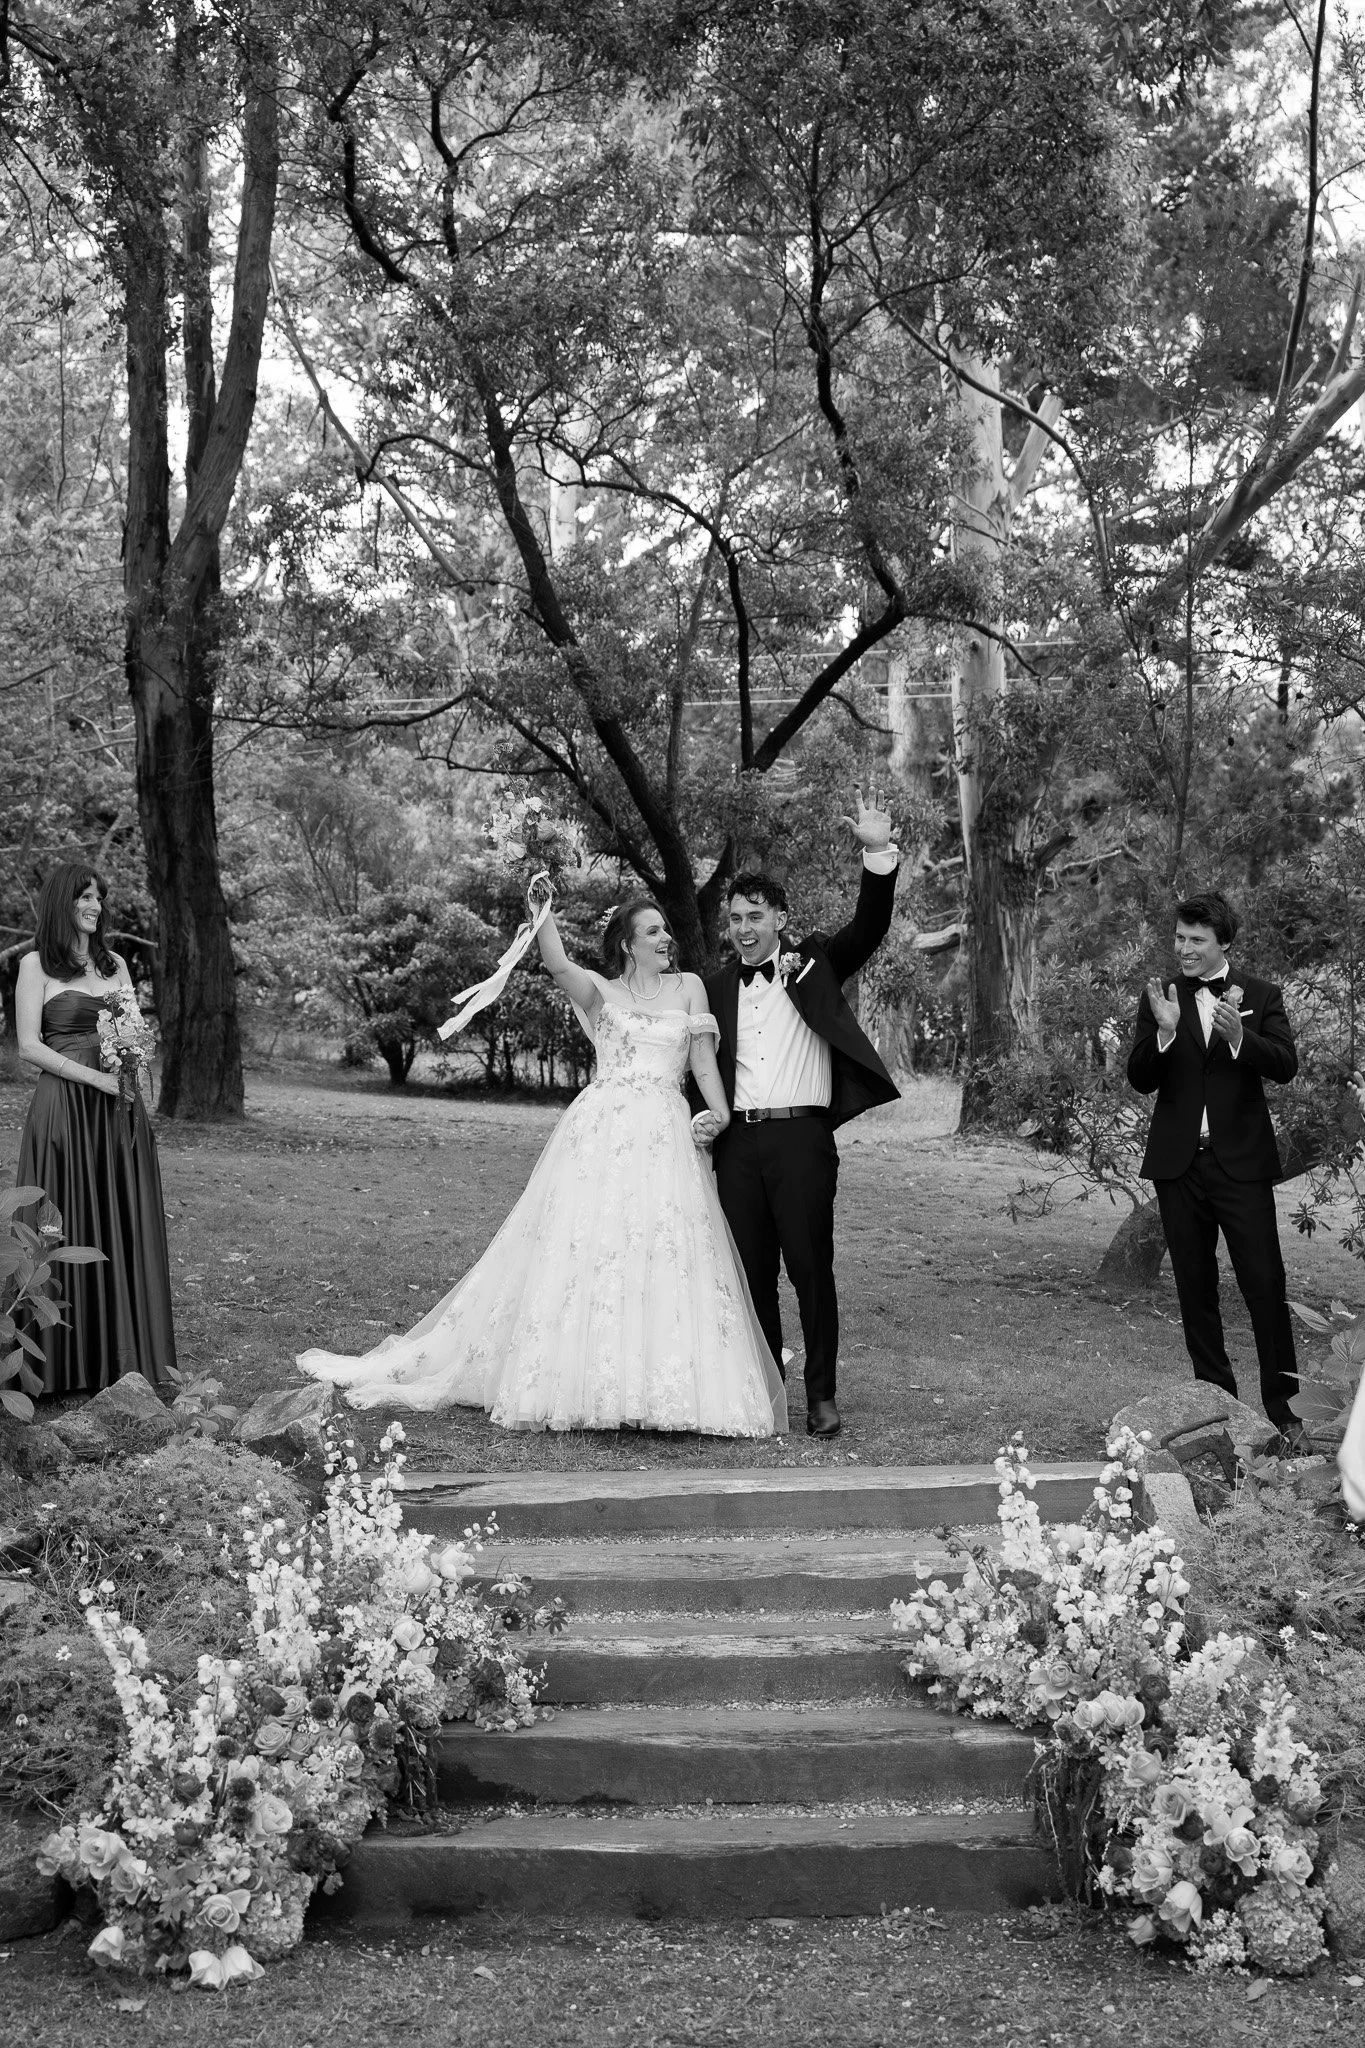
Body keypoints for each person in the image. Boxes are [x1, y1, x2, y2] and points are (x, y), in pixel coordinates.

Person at [297, 893, 787, 1436]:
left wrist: (718, 1115)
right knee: (593, 1249)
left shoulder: (690, 987)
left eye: (665, 928)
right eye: (652, 931)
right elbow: (555, 963)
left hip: (666, 1134)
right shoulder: (601, 991)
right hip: (603, 1132)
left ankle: (664, 1387)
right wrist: (543, 907)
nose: (665, 937)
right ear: (628, 944)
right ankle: (583, 1381)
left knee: (662, 1247)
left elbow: (701, 1061)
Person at [697, 789, 901, 1438]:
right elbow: (693, 1063)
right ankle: (764, 1392)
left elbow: (867, 928)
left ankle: (821, 1398)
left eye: (755, 916)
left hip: (802, 1140)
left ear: (780, 918)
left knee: (811, 1269)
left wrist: (876, 852)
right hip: (738, 1146)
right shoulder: (715, 985)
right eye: (734, 918)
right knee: (751, 1273)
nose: (744, 928)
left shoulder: (811, 961)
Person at [1126, 889, 1302, 1450]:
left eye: (1196, 940)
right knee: (1194, 1290)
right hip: (1180, 1167)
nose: (1184, 949)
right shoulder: (1161, 997)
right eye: (1179, 937)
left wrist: (1238, 1038)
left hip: (1241, 1166)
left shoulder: (1262, 995)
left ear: (1224, 942)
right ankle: (1216, 1407)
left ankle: (1286, 1415)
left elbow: (1285, 1066)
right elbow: (1140, 1077)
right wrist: (1166, 1031)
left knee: (1265, 1287)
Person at [14, 863, 177, 1396]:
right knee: (65, 1220)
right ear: (63, 900)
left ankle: (125, 1356)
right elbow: (29, 1046)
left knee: (119, 1215)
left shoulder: (116, 966)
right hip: (64, 1109)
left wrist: (127, 1071)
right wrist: (95, 1079)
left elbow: (131, 1030)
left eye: (99, 898)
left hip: (116, 1115)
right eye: (86, 896)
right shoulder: (36, 965)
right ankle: (60, 1365)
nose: (96, 906)